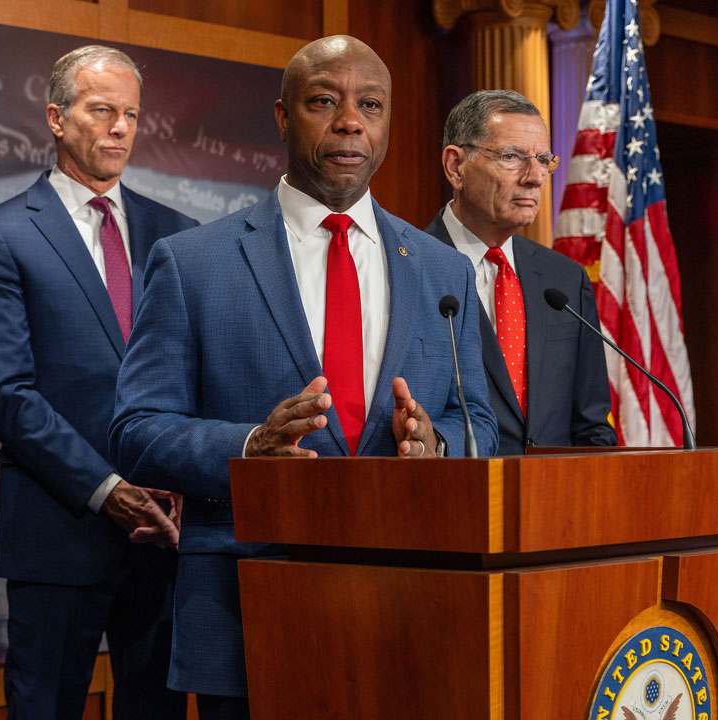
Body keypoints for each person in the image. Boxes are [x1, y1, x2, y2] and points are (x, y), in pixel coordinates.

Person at [108, 35, 498, 719]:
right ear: (285, 118)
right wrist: (250, 444)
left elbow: (480, 422)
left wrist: (437, 449)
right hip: (247, 611)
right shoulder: (194, 263)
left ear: (386, 123)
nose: (350, 121)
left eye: (369, 105)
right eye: (325, 101)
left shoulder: (443, 272)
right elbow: (136, 431)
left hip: (412, 607)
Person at [0, 45, 196, 720]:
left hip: (167, 537)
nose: (120, 127)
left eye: (131, 114)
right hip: (59, 532)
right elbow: (6, 393)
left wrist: (182, 482)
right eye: (102, 111)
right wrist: (108, 491)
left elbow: (195, 379)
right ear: (58, 119)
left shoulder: (176, 238)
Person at [423, 90, 616, 454]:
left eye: (543, 159)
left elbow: (592, 427)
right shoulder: (408, 269)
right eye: (512, 157)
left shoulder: (565, 281)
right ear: (455, 166)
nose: (535, 177)